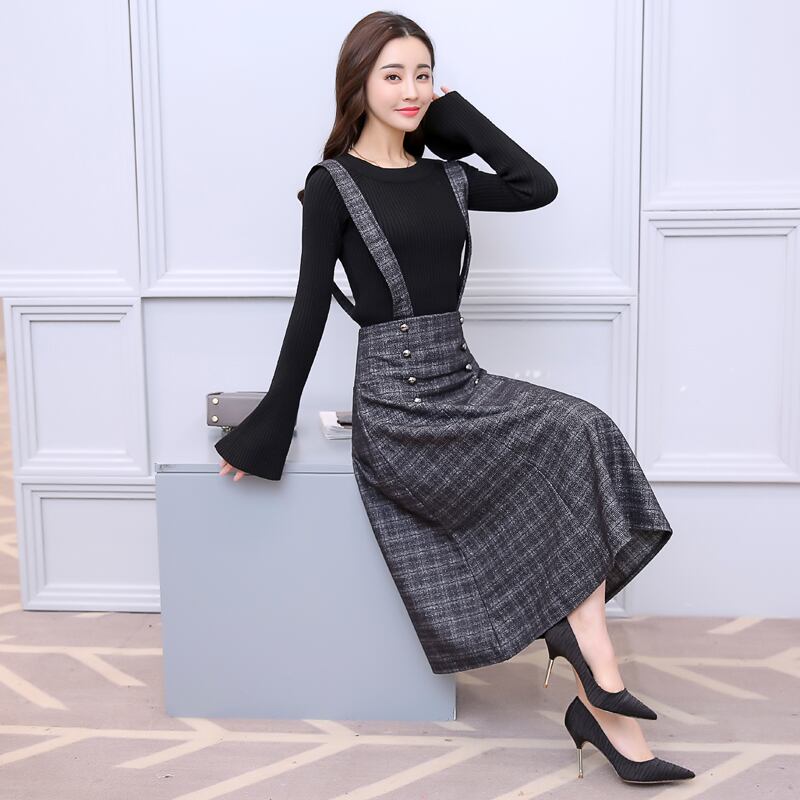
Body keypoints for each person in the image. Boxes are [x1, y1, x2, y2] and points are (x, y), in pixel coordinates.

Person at [215, 11, 695, 784]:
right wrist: (267, 428)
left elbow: (536, 186)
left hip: (462, 380)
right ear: (358, 84)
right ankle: (602, 691)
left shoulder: (447, 176)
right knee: (566, 449)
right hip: (400, 408)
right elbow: (309, 309)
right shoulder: (333, 185)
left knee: (582, 429)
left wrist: (454, 118)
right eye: (393, 75)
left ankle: (596, 686)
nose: (411, 90)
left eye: (424, 75)